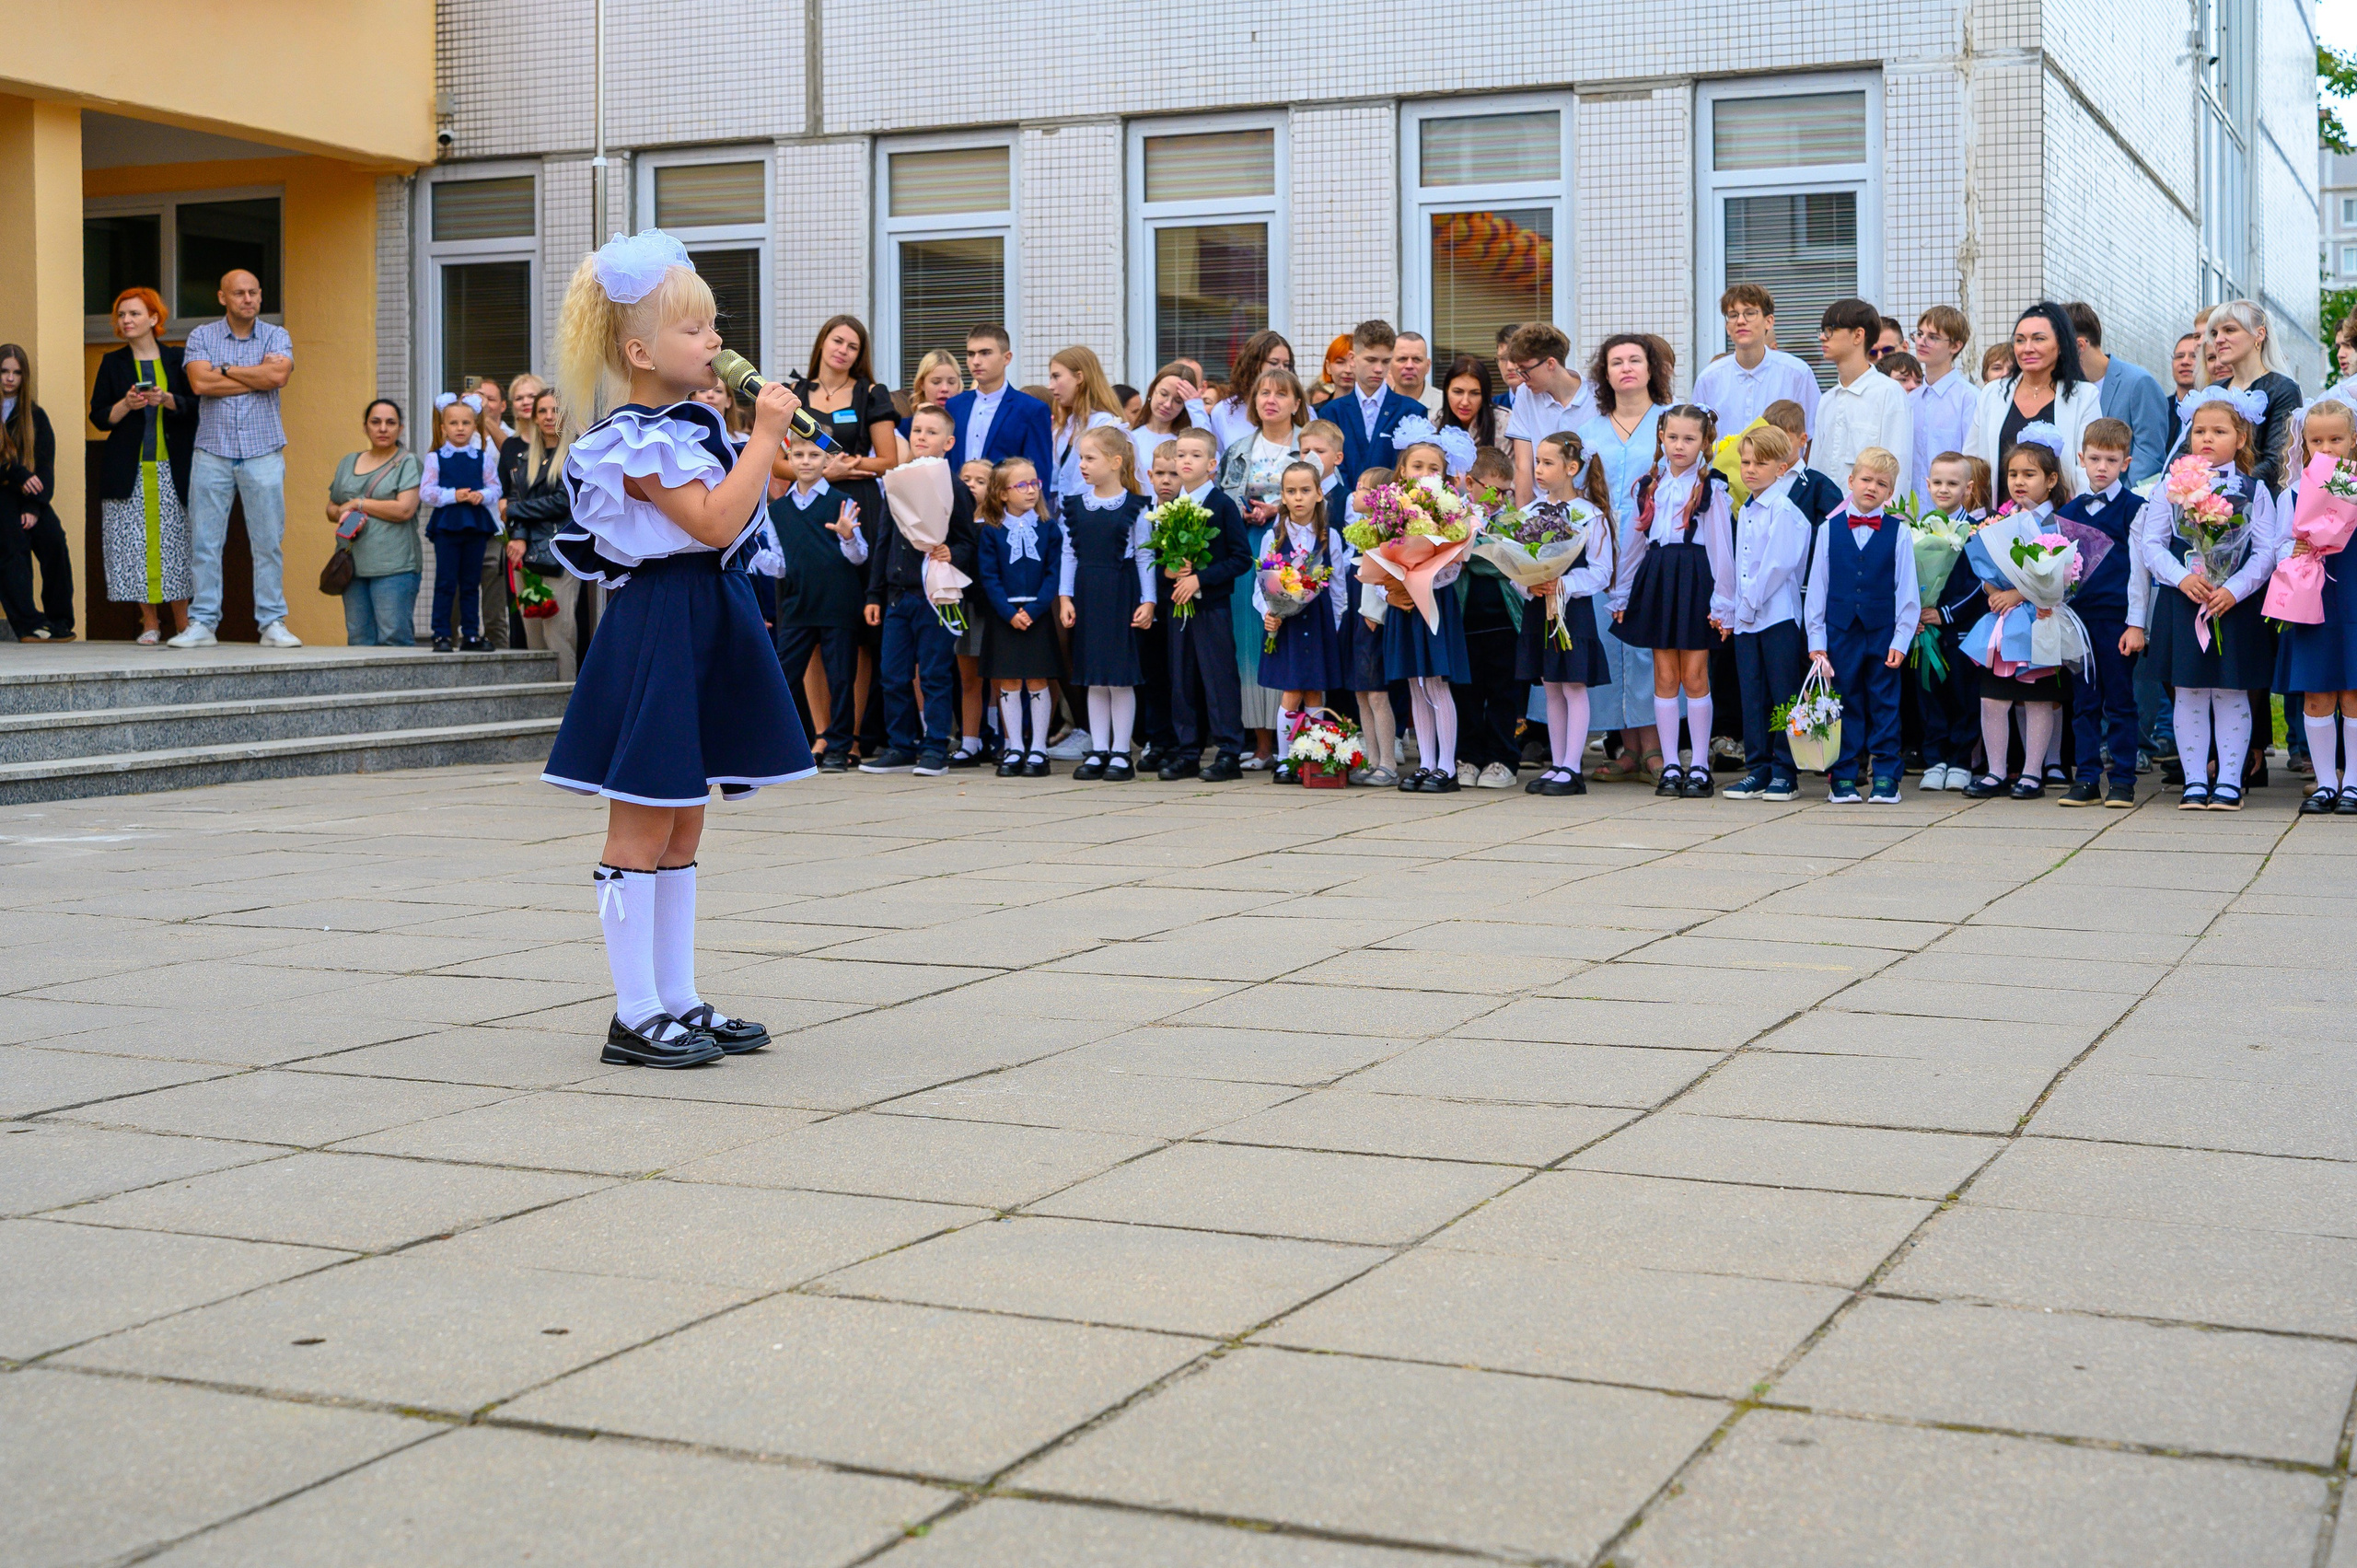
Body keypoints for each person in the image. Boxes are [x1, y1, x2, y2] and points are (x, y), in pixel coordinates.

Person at [542, 229, 812, 1067]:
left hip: (709, 615)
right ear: (640, 350)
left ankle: (677, 996)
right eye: (696, 331)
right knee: (643, 817)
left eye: (714, 327)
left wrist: (768, 455)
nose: (716, 343)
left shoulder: (693, 424)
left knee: (685, 823)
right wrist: (765, 436)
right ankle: (632, 1013)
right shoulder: (637, 436)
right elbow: (710, 521)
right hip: (662, 621)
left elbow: (735, 514)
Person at [2139, 387, 2282, 810]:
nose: (2206, 438)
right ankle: (2195, 780)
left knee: (2231, 692)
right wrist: (2183, 579)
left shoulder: (2255, 492)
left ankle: (2230, 781)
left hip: (2231, 606)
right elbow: (2152, 543)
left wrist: (2234, 590)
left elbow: (2266, 551)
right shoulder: (2169, 488)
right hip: (2185, 601)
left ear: (2240, 439)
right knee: (2189, 691)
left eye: (2219, 431)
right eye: (2198, 430)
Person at [1613, 403, 1734, 797]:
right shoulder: (1650, 485)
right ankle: (1669, 765)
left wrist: (1723, 603)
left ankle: (1699, 764)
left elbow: (1721, 551)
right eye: (1672, 437)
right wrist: (1623, 592)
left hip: (1696, 580)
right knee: (1664, 676)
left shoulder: (1712, 487)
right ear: (1661, 438)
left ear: (1704, 442)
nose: (1679, 446)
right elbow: (1634, 546)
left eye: (1689, 438)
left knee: (1695, 675)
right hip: (1659, 579)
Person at [174, 269, 298, 648]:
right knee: (206, 542)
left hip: (264, 450)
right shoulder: (201, 336)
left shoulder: (277, 335)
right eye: (239, 293)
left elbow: (277, 377)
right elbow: (199, 384)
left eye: (254, 292)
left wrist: (224, 369)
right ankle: (203, 623)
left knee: (267, 542)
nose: (248, 299)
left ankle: (273, 622)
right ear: (222, 297)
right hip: (212, 450)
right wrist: (253, 375)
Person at [863, 402, 979, 776]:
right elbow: (884, 541)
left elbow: (967, 541)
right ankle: (900, 745)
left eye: (931, 433)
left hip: (934, 597)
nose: (922, 438)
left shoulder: (955, 487)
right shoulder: (895, 482)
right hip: (897, 596)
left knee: (934, 674)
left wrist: (952, 552)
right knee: (894, 675)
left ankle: (935, 747)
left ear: (948, 442)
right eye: (917, 432)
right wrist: (874, 594)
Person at [1956, 429, 2073, 799]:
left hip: (2036, 621)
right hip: (2003, 624)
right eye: (2013, 474)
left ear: (2051, 479)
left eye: (2029, 474)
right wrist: (1993, 590)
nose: (2019, 482)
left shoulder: (2059, 523)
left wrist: (2016, 592)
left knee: (2037, 698)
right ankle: (1995, 771)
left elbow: (2064, 575)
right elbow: (1985, 567)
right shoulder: (1997, 521)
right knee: (1993, 698)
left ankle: (2033, 772)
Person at [1578, 333, 1673, 780]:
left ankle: (1655, 748)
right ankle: (1628, 750)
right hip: (1599, 548)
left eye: (1636, 360)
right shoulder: (1589, 428)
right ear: (1606, 373)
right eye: (1617, 362)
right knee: (1607, 640)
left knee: (1646, 645)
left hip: (1652, 549)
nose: (1626, 368)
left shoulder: (1668, 422)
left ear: (1652, 369)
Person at [1804, 444, 1918, 804]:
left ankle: (1886, 774)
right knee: (1844, 701)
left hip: (1883, 631)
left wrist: (1901, 639)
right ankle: (1843, 774)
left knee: (1886, 702)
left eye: (1881, 484)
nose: (1872, 487)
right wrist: (1816, 640)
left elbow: (1908, 591)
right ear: (1851, 481)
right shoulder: (1828, 529)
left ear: (1890, 492)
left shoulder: (1898, 532)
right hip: (1840, 631)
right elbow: (1817, 588)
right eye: (1866, 479)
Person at [89, 290, 198, 644]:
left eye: (134, 313)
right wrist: (126, 404)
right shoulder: (112, 362)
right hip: (129, 469)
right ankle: (149, 623)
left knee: (177, 545)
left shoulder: (178, 359)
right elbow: (99, 417)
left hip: (174, 468)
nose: (126, 321)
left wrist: (167, 400)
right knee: (133, 546)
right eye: (121, 315)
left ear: (154, 318)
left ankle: (184, 624)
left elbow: (196, 406)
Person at [1515, 430, 1617, 796]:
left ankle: (1573, 768)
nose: (1538, 470)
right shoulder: (1528, 513)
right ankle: (1557, 764)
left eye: (1547, 463)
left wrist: (1561, 584)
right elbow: (1515, 565)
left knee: (1573, 684)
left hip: (1572, 612)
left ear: (1572, 467)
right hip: (1539, 609)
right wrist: (1530, 584)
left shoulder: (1590, 516)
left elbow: (1602, 571)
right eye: (1537, 462)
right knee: (1550, 685)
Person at [1217, 366, 1308, 768]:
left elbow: (1326, 495)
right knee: (1251, 640)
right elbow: (1222, 498)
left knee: (1289, 638)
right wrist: (1243, 512)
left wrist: (1280, 509)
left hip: (1294, 547)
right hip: (1246, 548)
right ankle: (1261, 744)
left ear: (1296, 403)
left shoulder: (1309, 447)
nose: (1270, 399)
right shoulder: (1239, 448)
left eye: (1280, 393)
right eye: (1263, 393)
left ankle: (1297, 742)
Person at [1719, 424, 1813, 802]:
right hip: (1746, 619)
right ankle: (1758, 767)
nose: (1750, 470)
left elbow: (1777, 565)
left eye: (1761, 463)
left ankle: (1785, 770)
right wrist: (1736, 606)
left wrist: (1748, 602)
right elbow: (1740, 564)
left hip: (1775, 617)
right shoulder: (1749, 509)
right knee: (1752, 693)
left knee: (1783, 693)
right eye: (1745, 462)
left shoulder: (1785, 511)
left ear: (1782, 466)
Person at [2053, 418, 2142, 807]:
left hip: (2116, 621)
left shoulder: (2135, 509)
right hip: (2077, 621)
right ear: (2080, 459)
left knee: (2120, 700)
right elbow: (2057, 568)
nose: (2101, 466)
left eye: (2111, 459)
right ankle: (2086, 776)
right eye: (2094, 458)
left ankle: (2122, 779)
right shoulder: (2070, 511)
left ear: (2126, 462)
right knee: (2084, 700)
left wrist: (2136, 624)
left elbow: (2141, 571)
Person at [2274, 397, 2357, 814]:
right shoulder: (2291, 494)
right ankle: (2326, 784)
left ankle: (2354, 783)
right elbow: (2275, 549)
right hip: (2314, 603)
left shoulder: (2354, 486)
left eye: (2336, 440)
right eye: (2317, 440)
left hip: (2354, 599)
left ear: (2353, 441)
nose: (2326, 449)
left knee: (2354, 693)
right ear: (2303, 444)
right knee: (2318, 693)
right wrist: (2296, 548)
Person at [1058, 424, 1154, 781]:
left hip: (1120, 591)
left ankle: (1120, 752)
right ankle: (1099, 749)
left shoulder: (1135, 507)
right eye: (1080, 457)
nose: (1082, 464)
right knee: (1094, 676)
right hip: (1087, 591)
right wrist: (1065, 597)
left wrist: (1149, 601)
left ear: (1115, 462)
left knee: (1119, 676)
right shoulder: (1074, 506)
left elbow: (1145, 557)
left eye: (1089, 458)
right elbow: (1070, 553)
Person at [769, 430, 868, 770]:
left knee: (841, 677)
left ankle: (839, 746)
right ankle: (777, 742)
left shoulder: (842, 501)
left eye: (813, 455)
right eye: (799, 455)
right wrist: (752, 554)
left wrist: (848, 537)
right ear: (789, 460)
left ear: (827, 461)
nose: (806, 462)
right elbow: (780, 564)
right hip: (798, 604)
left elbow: (859, 557)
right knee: (783, 675)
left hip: (838, 603)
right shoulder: (778, 510)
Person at [1157, 428, 1252, 780]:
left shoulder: (1222, 505)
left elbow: (1241, 559)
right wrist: (1170, 570)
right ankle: (1187, 751)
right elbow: (1161, 557)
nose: (1185, 461)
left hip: (1211, 606)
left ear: (1212, 465)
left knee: (1218, 678)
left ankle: (1229, 750)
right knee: (1181, 679)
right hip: (1178, 608)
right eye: (1181, 454)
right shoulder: (1170, 508)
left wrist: (1201, 577)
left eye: (1195, 455)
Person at [1381, 430, 1473, 792]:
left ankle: (1447, 768)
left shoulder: (1450, 508)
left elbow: (1454, 562)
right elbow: (1380, 554)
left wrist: (1419, 581)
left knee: (1435, 683)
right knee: (1414, 685)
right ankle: (1427, 762)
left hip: (1435, 602)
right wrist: (1391, 589)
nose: (1424, 473)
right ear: (1402, 470)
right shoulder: (1390, 506)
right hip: (1404, 605)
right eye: (1417, 466)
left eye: (1433, 468)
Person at [973, 456, 1066, 775]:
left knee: (1038, 677)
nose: (1031, 490)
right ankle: (1014, 746)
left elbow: (1053, 574)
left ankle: (1038, 748)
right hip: (1006, 616)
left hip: (1037, 614)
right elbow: (990, 577)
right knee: (1009, 680)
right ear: (1002, 493)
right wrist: (1009, 612)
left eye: (1035, 483)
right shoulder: (991, 532)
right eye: (1022, 485)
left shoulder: (1049, 528)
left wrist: (1036, 608)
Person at [1256, 459, 1348, 782]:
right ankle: (1284, 758)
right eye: (1291, 491)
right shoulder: (1274, 535)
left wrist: (1334, 629)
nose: (1298, 498)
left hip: (1319, 622)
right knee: (1292, 689)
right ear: (1281, 496)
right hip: (1287, 625)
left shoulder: (1330, 537)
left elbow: (1338, 591)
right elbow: (1262, 584)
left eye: (1305, 490)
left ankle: (1311, 754)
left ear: (1319, 494)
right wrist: (1269, 613)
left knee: (1314, 693)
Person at [1914, 452, 1995, 789]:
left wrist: (1945, 613)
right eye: (1937, 482)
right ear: (1928, 483)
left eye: (1952, 483)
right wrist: (1915, 612)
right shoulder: (1916, 528)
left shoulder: (1976, 531)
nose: (1943, 489)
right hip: (1925, 630)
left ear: (1968, 487)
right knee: (1929, 693)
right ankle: (1934, 759)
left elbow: (1981, 582)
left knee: (1963, 693)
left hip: (1962, 629)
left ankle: (1962, 760)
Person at [1452, 445, 1530, 787]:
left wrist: (1482, 556)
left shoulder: (1514, 520)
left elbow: (1511, 561)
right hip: (1464, 618)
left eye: (1506, 491)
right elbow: (1458, 557)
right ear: (1470, 482)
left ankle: (1502, 759)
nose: (1499, 498)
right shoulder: (1453, 517)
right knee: (1465, 692)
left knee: (1503, 692)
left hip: (1504, 621)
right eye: (1493, 490)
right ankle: (1468, 757)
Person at [1962, 303, 2101, 494]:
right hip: (1998, 518)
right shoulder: (1992, 393)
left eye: (2039, 339)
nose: (2027, 348)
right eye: (2020, 340)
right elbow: (1973, 461)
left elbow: (2087, 468)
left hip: (2061, 519)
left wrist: (2074, 520)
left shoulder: (2085, 396)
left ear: (2060, 345)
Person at [504, 391, 590, 679]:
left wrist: (516, 512)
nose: (549, 416)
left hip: (561, 548)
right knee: (533, 637)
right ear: (535, 418)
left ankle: (565, 704)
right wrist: (517, 535)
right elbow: (517, 497)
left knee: (559, 633)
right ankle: (540, 704)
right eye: (543, 411)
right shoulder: (525, 458)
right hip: (525, 551)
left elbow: (563, 502)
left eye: (555, 410)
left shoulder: (575, 455)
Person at [326, 400, 423, 648]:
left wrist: (359, 504)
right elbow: (332, 508)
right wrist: (342, 512)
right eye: (376, 422)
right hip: (351, 565)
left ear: (400, 429)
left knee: (394, 638)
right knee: (358, 639)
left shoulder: (408, 462)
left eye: (390, 423)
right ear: (365, 427)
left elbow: (404, 509)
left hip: (394, 567)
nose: (383, 428)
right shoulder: (349, 461)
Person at [0, 343, 73, 642]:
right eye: (4, 371)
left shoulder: (34, 415)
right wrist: (17, 474)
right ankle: (27, 623)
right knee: (12, 547)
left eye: (16, 372)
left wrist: (33, 506)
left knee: (54, 540)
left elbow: (45, 466)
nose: (10, 378)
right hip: (2, 492)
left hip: (30, 498)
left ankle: (59, 622)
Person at [420, 394, 502, 652]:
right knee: (445, 580)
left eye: (466, 423)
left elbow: (495, 488)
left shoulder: (482, 457)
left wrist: (482, 495)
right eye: (454, 423)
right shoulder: (435, 458)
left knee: (471, 581)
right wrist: (452, 495)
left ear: (474, 427)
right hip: (448, 523)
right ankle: (442, 633)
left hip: (476, 524)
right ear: (443, 427)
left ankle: (470, 634)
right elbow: (426, 491)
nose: (460, 428)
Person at [1811, 299, 1913, 497]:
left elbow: (1898, 470)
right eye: (1822, 331)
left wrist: (1890, 522)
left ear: (1858, 335)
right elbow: (1816, 469)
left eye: (1831, 330)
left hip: (1873, 520)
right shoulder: (1827, 400)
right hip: (1828, 521)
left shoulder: (1888, 393)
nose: (1823, 337)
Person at [1691, 285, 1819, 436]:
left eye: (1749, 313)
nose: (1740, 321)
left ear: (1769, 321)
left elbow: (1813, 436)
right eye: (1733, 315)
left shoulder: (1797, 374)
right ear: (1727, 327)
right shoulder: (1709, 379)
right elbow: (1696, 437)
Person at [1341, 461, 1400, 784]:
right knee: (1361, 694)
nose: (1355, 491)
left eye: (1363, 487)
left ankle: (1388, 762)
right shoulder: (1359, 533)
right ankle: (1373, 759)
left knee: (1377, 693)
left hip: (1373, 620)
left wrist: (1375, 615)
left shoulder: (1383, 535)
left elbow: (1381, 579)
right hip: (1355, 620)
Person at [2200, 298, 2302, 489]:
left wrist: (2223, 485)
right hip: (2204, 501)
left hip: (2259, 505)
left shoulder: (2282, 389)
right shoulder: (2212, 392)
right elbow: (2186, 450)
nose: (2219, 339)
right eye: (2214, 333)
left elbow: (2278, 460)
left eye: (2229, 330)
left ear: (2259, 334)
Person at [2062, 303, 2167, 486]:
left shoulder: (2138, 382)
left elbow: (2150, 455)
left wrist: (2118, 500)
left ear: (2079, 346)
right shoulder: (2065, 389)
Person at [946, 327, 1055, 492]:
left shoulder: (1031, 409)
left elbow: (1039, 473)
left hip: (1007, 509)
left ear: (1007, 358)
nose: (976, 361)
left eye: (985, 353)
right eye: (971, 354)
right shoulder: (955, 405)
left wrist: (1035, 516)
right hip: (961, 508)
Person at [1503, 321, 1597, 505]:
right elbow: (1524, 467)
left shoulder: (1596, 394)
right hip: (1545, 508)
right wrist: (1522, 520)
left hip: (1590, 507)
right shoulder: (1525, 394)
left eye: (1525, 371)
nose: (1522, 378)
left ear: (1551, 363)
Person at [1322, 321, 1422, 489]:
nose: (1378, 369)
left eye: (1385, 361)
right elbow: (1330, 469)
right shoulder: (1331, 413)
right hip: (1342, 511)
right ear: (1353, 359)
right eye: (1371, 360)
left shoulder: (1412, 411)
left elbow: (1413, 468)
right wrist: (1349, 502)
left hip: (1396, 509)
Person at [1909, 307, 1976, 503]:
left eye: (1933, 337)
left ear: (1955, 346)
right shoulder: (1910, 400)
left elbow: (1972, 462)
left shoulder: (1968, 398)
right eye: (1920, 334)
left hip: (1952, 512)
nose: (1922, 341)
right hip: (1912, 510)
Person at [1047, 345, 1128, 500]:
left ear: (1079, 377)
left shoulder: (1103, 423)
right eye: (1050, 378)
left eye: (1056, 377)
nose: (1051, 386)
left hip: (1089, 515)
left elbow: (1093, 481)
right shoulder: (1066, 425)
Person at [1203, 331, 1295, 452]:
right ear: (1253, 365)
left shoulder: (1298, 408)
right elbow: (1218, 462)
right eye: (1274, 363)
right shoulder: (1223, 411)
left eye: (1286, 364)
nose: (1281, 369)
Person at [1127, 363, 1199, 477]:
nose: (1168, 405)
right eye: (1164, 394)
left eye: (1178, 401)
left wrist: (1196, 406)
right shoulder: (1131, 438)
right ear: (1152, 391)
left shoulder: (1187, 442)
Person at [1436, 355, 1507, 449]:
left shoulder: (1504, 423)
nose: (1465, 402)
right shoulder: (1436, 424)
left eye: (1475, 393)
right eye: (1458, 392)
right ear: (1446, 391)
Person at [1391, 331, 1442, 412]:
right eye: (1402, 359)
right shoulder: (1378, 405)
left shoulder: (1444, 405)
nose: (1409, 366)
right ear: (1389, 364)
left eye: (1416, 359)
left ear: (1428, 366)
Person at [1311, 334, 1354, 406]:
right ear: (1328, 366)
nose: (1348, 370)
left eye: (1354, 363)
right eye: (1340, 362)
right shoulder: (1314, 413)